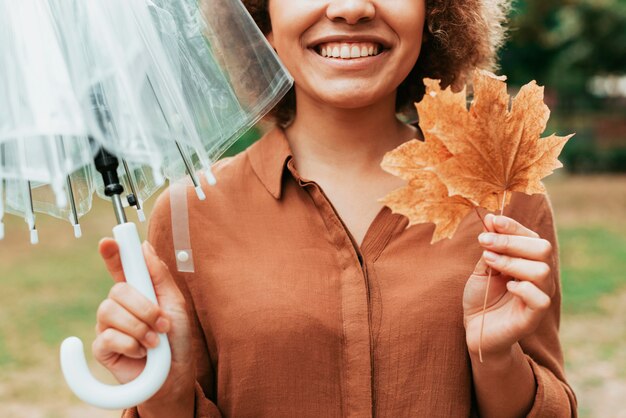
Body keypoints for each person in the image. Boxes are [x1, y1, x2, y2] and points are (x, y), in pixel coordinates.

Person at [93, 0, 578, 416]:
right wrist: (167, 393)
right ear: (260, 15)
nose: (351, 8)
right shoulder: (188, 214)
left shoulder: (503, 201)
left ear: (434, 11)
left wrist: (495, 361)